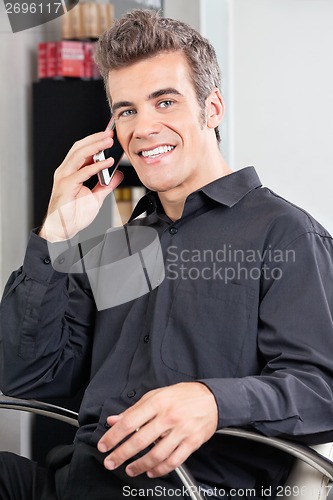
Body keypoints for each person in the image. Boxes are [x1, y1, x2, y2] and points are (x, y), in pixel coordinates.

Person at [1, 8, 333, 500]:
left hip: (190, 489)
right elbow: (28, 373)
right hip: (74, 482)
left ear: (212, 108)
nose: (144, 127)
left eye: (165, 102)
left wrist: (213, 401)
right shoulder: (122, 246)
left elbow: (321, 388)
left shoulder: (284, 234)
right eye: (127, 110)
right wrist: (55, 235)